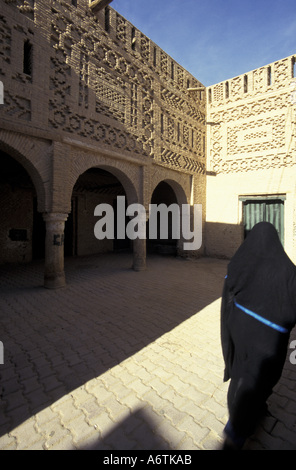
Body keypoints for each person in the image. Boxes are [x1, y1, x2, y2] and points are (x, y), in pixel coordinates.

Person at [220, 222, 296, 450]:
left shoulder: (240, 261)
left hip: (240, 332)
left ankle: (244, 418)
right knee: (261, 378)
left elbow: (228, 293)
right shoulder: (289, 271)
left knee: (242, 376)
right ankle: (235, 433)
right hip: (270, 341)